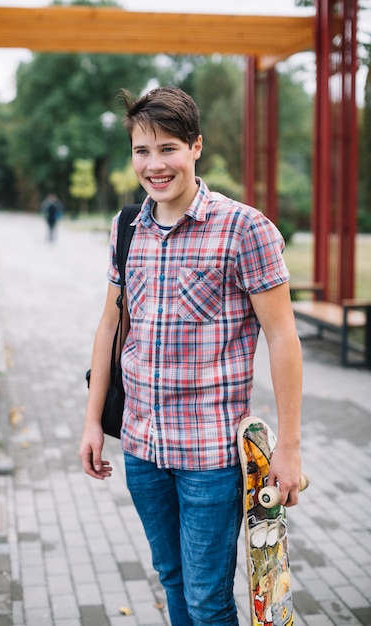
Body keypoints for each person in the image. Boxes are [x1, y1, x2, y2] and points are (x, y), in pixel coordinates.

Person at [79, 87, 303, 626]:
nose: (154, 165)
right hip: (141, 446)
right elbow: (112, 323)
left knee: (207, 599)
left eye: (168, 148)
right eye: (141, 151)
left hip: (209, 455)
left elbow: (283, 338)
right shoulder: (126, 227)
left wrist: (289, 450)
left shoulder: (244, 229)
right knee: (171, 576)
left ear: (196, 147)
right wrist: (92, 421)